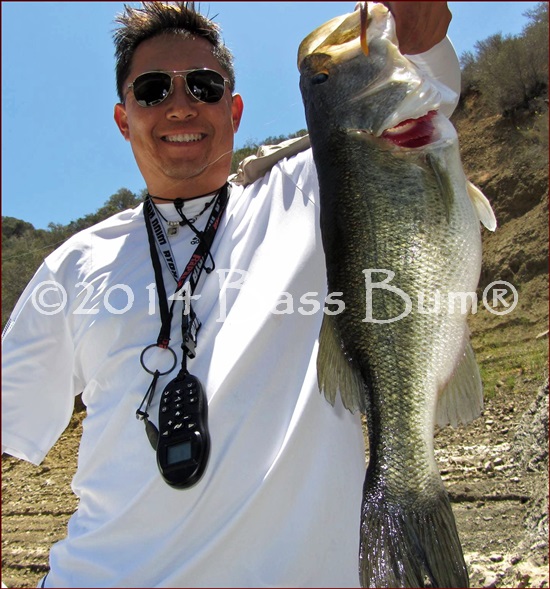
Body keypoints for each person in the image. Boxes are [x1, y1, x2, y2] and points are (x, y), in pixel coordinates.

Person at [2, 2, 460, 587]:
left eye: (203, 84)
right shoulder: (71, 265)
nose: (180, 104)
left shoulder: (313, 187)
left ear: (235, 109)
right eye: (151, 89)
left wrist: (417, 39)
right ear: (123, 118)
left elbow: (411, 112)